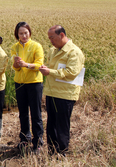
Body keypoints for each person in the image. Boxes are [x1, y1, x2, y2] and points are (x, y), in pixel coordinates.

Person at [39, 25, 85, 155]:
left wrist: (50, 71)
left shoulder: (74, 52)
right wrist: (46, 68)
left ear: (62, 35)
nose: (51, 41)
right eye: (49, 38)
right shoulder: (53, 50)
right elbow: (53, 68)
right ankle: (51, 152)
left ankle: (62, 153)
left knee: (62, 126)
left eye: (52, 38)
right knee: (51, 125)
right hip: (52, 92)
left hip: (66, 94)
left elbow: (71, 73)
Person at [11, 21, 44, 153]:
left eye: (26, 33)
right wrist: (17, 65)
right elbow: (15, 68)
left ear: (30, 33)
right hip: (19, 83)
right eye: (21, 33)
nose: (24, 35)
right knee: (23, 113)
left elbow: (39, 64)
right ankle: (25, 138)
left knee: (36, 113)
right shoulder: (15, 47)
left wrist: (26, 65)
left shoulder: (36, 46)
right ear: (17, 34)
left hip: (34, 83)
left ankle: (38, 140)